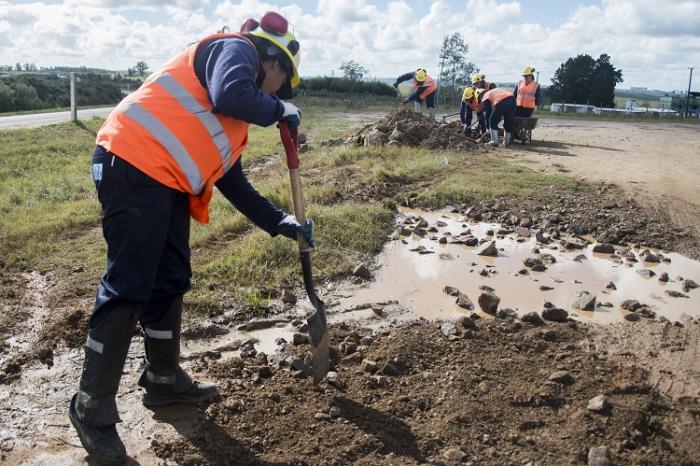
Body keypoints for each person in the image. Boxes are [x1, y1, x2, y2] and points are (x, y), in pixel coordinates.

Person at [68, 11, 312, 465]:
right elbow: (231, 91)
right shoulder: (234, 50)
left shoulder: (232, 124)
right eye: (283, 85)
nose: (280, 93)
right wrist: (279, 110)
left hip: (165, 182)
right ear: (274, 63)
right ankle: (91, 408)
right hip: (131, 162)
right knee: (130, 286)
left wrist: (280, 221)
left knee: (171, 278)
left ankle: (162, 381)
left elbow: (232, 182)